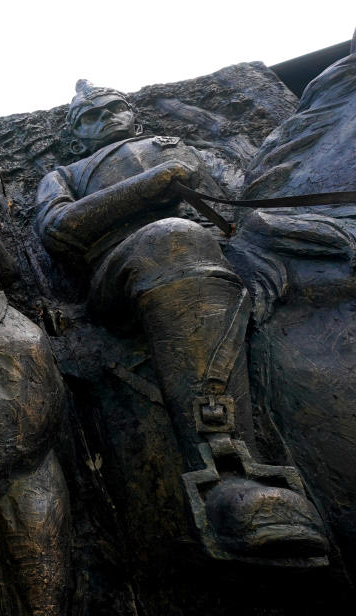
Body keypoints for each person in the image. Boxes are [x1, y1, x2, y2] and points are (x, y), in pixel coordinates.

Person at [33, 80, 327, 560]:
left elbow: (236, 191)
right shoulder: (66, 172)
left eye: (112, 108)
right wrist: (146, 188)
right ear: (73, 137)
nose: (104, 118)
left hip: (226, 246)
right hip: (127, 269)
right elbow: (58, 229)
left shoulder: (180, 146)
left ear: (133, 114)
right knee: (173, 238)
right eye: (89, 117)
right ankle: (227, 469)